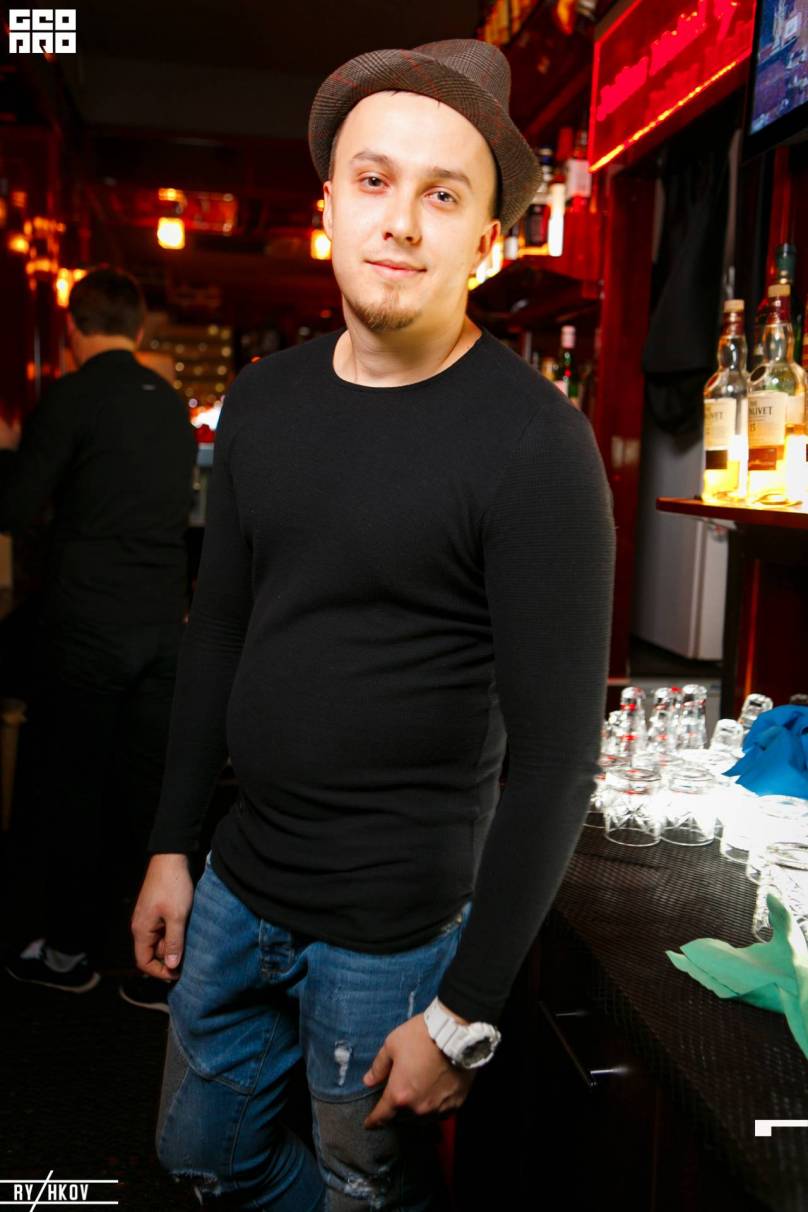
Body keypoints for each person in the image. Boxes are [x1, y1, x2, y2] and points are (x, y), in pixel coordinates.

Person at [133, 39, 615, 1211]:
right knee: (198, 1161)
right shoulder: (263, 401)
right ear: (328, 208)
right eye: (374, 179)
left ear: (485, 240)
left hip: (392, 934)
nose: (400, 220)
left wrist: (464, 1013)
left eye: (442, 195)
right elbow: (218, 631)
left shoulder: (535, 445)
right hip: (240, 884)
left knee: (365, 1192)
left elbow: (558, 758)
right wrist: (171, 845)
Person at [1, 267, 197, 1008]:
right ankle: (148, 963)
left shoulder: (74, 396)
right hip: (163, 627)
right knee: (144, 798)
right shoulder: (170, 405)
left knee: (69, 789)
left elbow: (15, 509)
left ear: (74, 328)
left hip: (88, 627)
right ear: (139, 329)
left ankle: (66, 952)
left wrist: (12, 452)